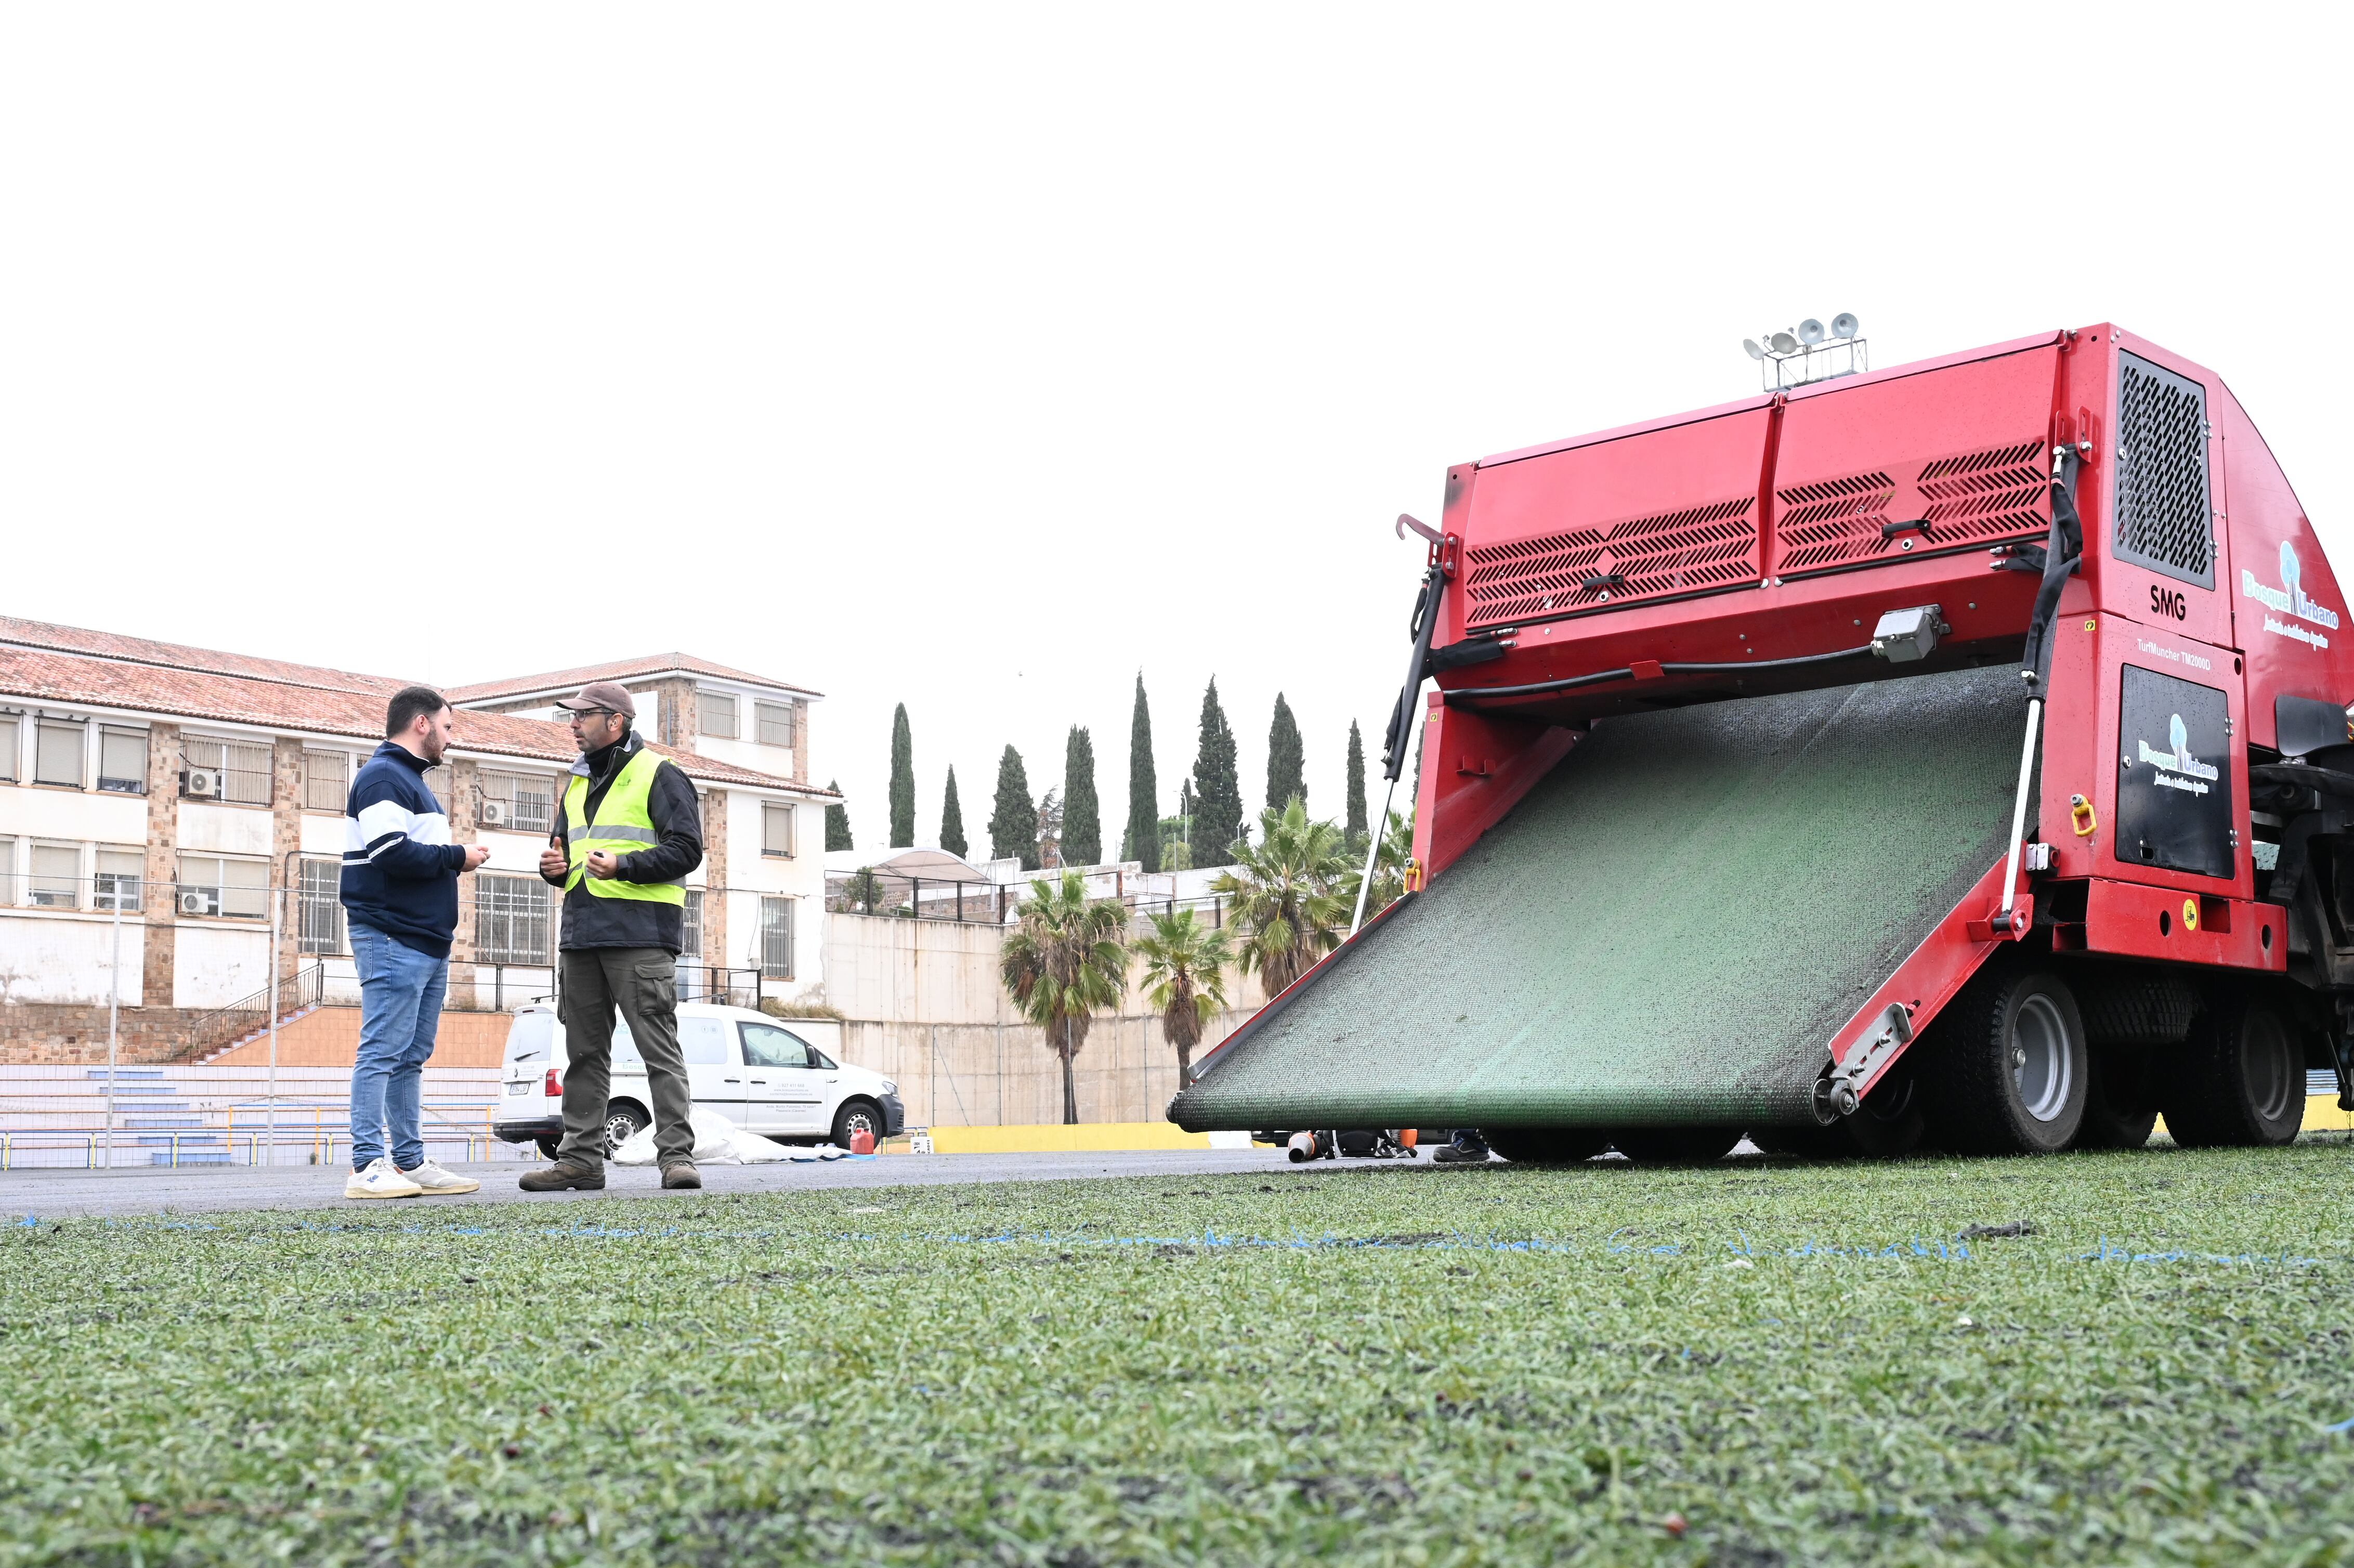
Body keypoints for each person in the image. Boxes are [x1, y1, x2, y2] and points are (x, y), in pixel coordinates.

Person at [520, 682, 705, 1193]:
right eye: (572, 716)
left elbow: (687, 849)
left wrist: (625, 865)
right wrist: (553, 869)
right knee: (583, 1055)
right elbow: (565, 854)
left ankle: (676, 1157)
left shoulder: (659, 774)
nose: (573, 724)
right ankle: (580, 1160)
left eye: (583, 716)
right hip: (581, 937)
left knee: (658, 1051)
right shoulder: (576, 783)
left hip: (640, 937)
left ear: (615, 721)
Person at [341, 685, 493, 1199]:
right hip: (391, 933)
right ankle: (367, 1165)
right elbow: (389, 851)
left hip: (424, 939)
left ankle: (408, 1162)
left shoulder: (410, 782)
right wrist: (457, 856)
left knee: (409, 1055)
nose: (451, 738)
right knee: (383, 1049)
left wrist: (453, 857)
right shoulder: (384, 776)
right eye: (448, 727)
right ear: (422, 723)